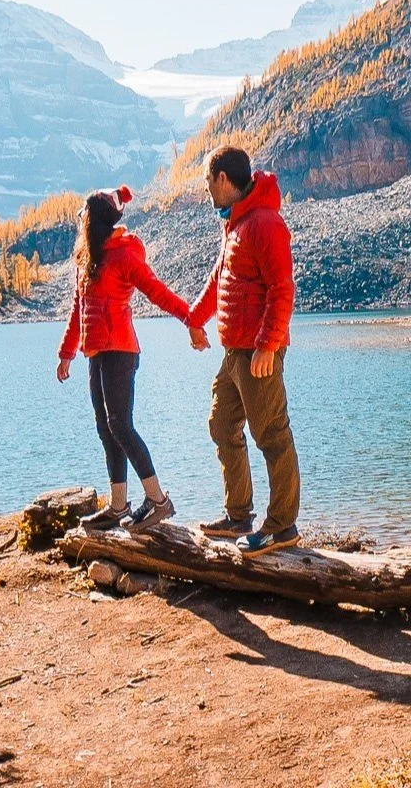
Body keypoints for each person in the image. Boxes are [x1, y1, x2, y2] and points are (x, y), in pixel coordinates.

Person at [56, 185, 197, 533]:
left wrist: (190, 320)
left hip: (120, 352)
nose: (81, 220)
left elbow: (156, 290)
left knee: (121, 425)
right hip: (96, 353)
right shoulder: (87, 259)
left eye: (85, 215)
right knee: (106, 429)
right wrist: (66, 353)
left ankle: (158, 500)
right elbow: (78, 309)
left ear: (95, 220)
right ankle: (118, 505)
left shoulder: (122, 256)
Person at [185, 146, 300, 556]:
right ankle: (239, 516)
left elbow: (282, 288)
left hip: (258, 353)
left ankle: (282, 526)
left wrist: (269, 345)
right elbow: (220, 280)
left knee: (271, 435)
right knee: (222, 425)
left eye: (207, 184)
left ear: (222, 179)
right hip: (234, 352)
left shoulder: (266, 223)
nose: (207, 193)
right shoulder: (235, 224)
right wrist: (194, 319)